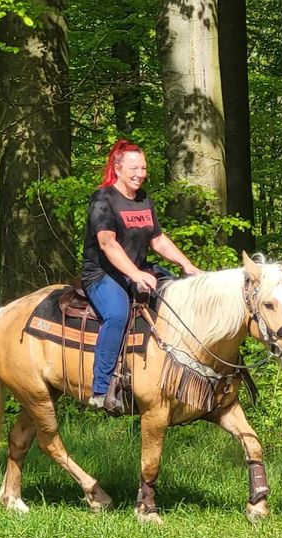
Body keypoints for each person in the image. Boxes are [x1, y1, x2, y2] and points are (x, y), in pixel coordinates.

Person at [82, 138, 201, 413]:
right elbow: (107, 244)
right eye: (134, 168)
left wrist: (187, 265)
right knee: (118, 315)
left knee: (178, 297)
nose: (140, 174)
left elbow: (157, 239)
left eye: (144, 168)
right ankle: (101, 389)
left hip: (138, 270)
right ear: (119, 167)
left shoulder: (143, 198)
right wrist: (135, 274)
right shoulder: (103, 199)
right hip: (102, 274)